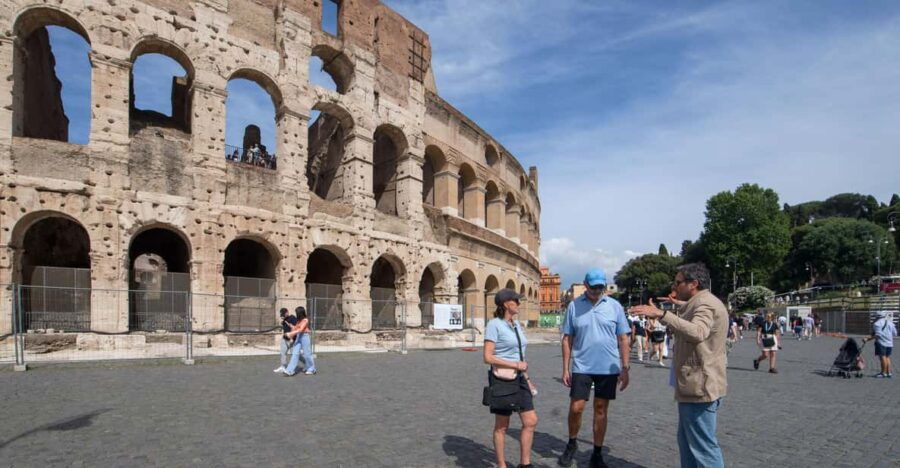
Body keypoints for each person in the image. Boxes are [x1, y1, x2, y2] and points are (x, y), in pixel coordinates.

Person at [631, 263, 727, 468]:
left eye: (678, 282)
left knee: (703, 447)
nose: (674, 286)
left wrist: (662, 315)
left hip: (700, 384)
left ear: (693, 284)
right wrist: (677, 305)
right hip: (695, 383)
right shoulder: (702, 301)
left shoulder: (705, 304)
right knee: (687, 441)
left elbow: (698, 331)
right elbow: (693, 312)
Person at [558, 268, 630, 468]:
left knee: (601, 409)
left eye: (601, 287)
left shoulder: (615, 306)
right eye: (594, 287)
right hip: (582, 365)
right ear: (586, 285)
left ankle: (597, 453)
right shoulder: (574, 306)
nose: (598, 290)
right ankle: (572, 443)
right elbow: (567, 339)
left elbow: (623, 337)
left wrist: (625, 367)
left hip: (608, 367)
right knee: (576, 407)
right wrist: (565, 368)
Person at [483, 288, 537, 468]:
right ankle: (501, 465)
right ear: (506, 304)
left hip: (520, 379)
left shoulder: (516, 325)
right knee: (502, 426)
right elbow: (487, 357)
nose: (520, 304)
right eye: (516, 300)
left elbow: (519, 355)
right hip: (502, 380)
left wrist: (527, 378)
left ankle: (525, 464)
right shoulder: (494, 325)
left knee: (530, 421)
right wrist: (515, 365)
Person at [283, 306, 317, 376]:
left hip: (305, 337)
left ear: (300, 313)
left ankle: (311, 369)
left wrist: (291, 333)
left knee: (307, 354)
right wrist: (292, 330)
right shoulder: (298, 321)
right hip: (298, 337)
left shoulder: (305, 320)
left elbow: (301, 329)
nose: (296, 314)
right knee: (295, 353)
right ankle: (290, 370)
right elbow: (296, 329)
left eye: (297, 312)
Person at [863, 311, 897, 378]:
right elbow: (895, 333)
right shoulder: (890, 323)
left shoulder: (877, 324)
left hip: (881, 342)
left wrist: (867, 339)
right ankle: (888, 372)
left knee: (882, 357)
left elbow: (878, 335)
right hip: (890, 342)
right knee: (887, 357)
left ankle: (883, 373)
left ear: (877, 316)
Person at [273, 308, 298, 373]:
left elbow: (296, 328)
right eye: (282, 315)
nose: (283, 316)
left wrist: (292, 338)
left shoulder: (292, 318)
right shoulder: (284, 319)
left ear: (287, 312)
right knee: (283, 353)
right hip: (285, 339)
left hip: (292, 340)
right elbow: (285, 329)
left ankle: (306, 364)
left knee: (295, 355)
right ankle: (283, 366)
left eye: (284, 314)